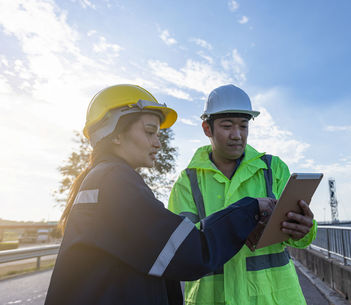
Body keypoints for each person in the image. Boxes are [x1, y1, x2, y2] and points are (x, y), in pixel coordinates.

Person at [44, 84, 276, 305]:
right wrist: (250, 208)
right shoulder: (114, 181)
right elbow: (189, 253)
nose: (158, 144)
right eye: (149, 132)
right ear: (114, 133)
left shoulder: (105, 179)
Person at [168, 84, 317, 305]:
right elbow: (181, 248)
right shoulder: (188, 181)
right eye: (227, 126)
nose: (237, 135)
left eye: (244, 126)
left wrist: (304, 229)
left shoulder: (273, 168)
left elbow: (302, 238)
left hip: (275, 298)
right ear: (207, 129)